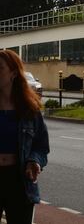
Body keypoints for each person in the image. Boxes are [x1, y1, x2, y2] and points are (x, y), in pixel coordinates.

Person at [0, 49, 49, 223]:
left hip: (19, 181)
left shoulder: (29, 110)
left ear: (13, 73)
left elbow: (41, 146)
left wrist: (34, 161)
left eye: (0, 68)